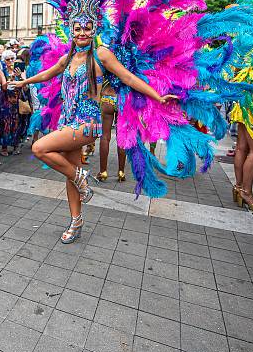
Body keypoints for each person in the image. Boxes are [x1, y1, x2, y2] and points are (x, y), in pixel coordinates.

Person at [17, 24, 173, 244]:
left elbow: (128, 78)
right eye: (78, 28)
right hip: (67, 120)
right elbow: (46, 74)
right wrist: (24, 81)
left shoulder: (101, 55)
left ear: (94, 31)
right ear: (72, 31)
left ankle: (83, 179)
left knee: (39, 148)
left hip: (87, 123)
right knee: (70, 175)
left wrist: (157, 97)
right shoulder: (68, 57)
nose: (82, 33)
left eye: (87, 28)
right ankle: (76, 221)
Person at [96, 84, 127, 182]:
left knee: (105, 136)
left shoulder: (108, 67)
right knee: (121, 136)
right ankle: (121, 172)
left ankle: (103, 172)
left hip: (107, 97)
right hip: (123, 98)